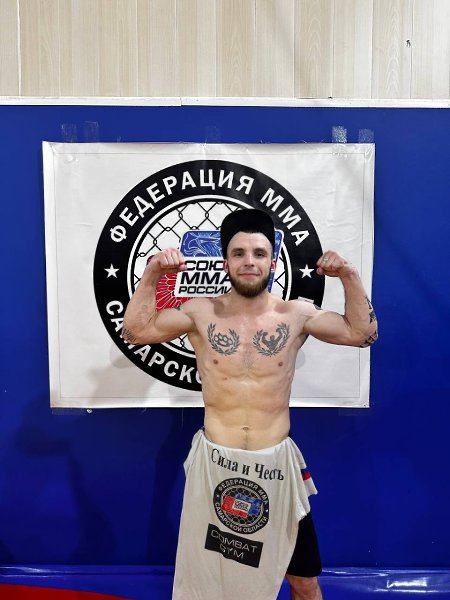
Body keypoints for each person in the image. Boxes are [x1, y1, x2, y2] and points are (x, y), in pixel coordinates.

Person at [122, 208, 378, 600]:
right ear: (225, 262)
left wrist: (349, 275)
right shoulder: (199, 312)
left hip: (276, 466)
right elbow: (135, 332)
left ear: (272, 263)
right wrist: (153, 273)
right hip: (215, 466)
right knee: (212, 581)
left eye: (259, 253)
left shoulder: (295, 314)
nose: (249, 261)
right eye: (239, 253)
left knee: (304, 580)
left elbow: (362, 334)